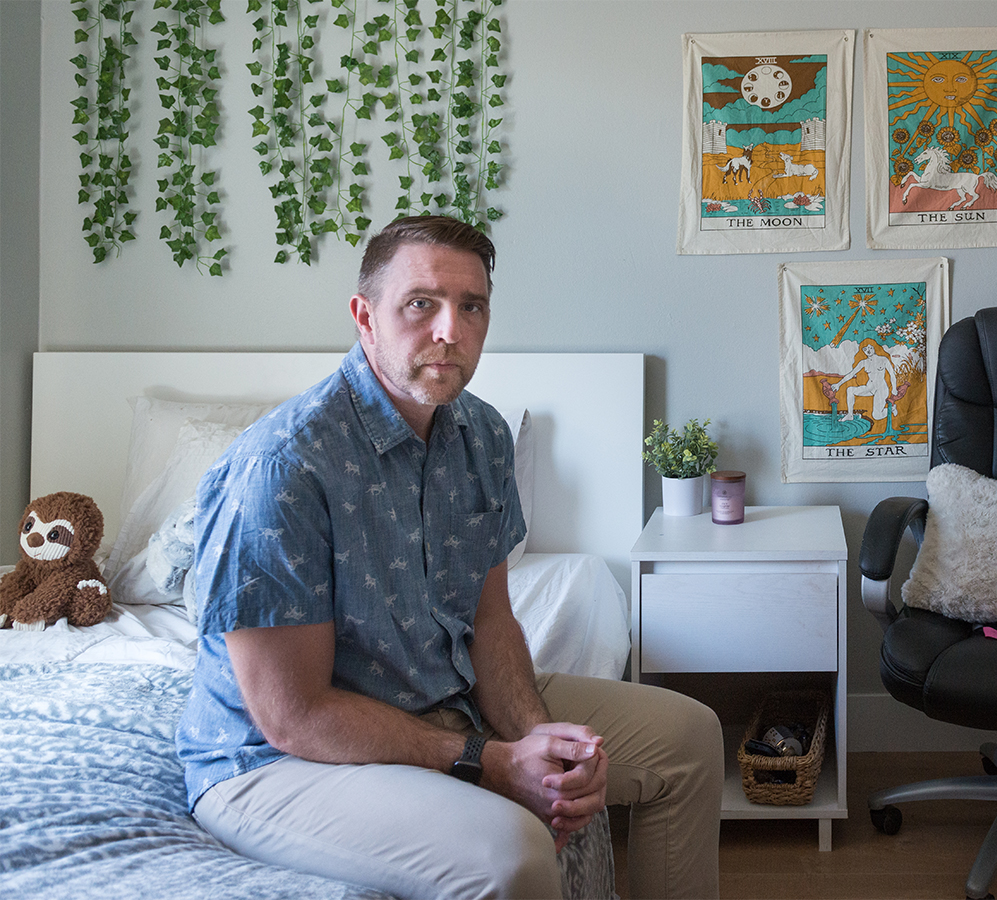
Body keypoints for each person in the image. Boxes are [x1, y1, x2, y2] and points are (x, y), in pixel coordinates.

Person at [176, 216, 723, 899]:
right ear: (364, 316)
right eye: (420, 304)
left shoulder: (483, 436)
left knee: (689, 737)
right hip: (272, 759)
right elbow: (294, 715)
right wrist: (489, 762)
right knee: (512, 855)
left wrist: (537, 738)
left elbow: (490, 624)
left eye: (472, 307)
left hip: (444, 699)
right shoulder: (283, 466)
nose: (450, 331)